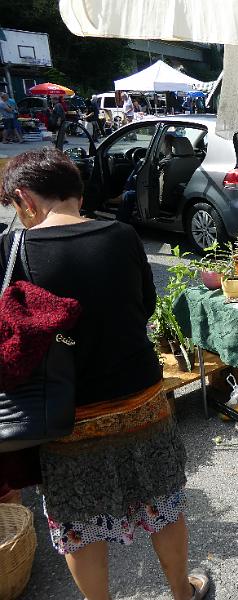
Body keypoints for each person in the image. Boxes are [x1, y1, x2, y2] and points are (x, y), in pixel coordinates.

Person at [0, 147, 211, 600]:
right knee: (162, 503)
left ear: (24, 199)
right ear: (76, 192)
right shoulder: (122, 235)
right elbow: (145, 306)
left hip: (62, 412)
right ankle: (182, 592)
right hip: (139, 397)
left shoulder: (14, 249)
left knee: (78, 523)